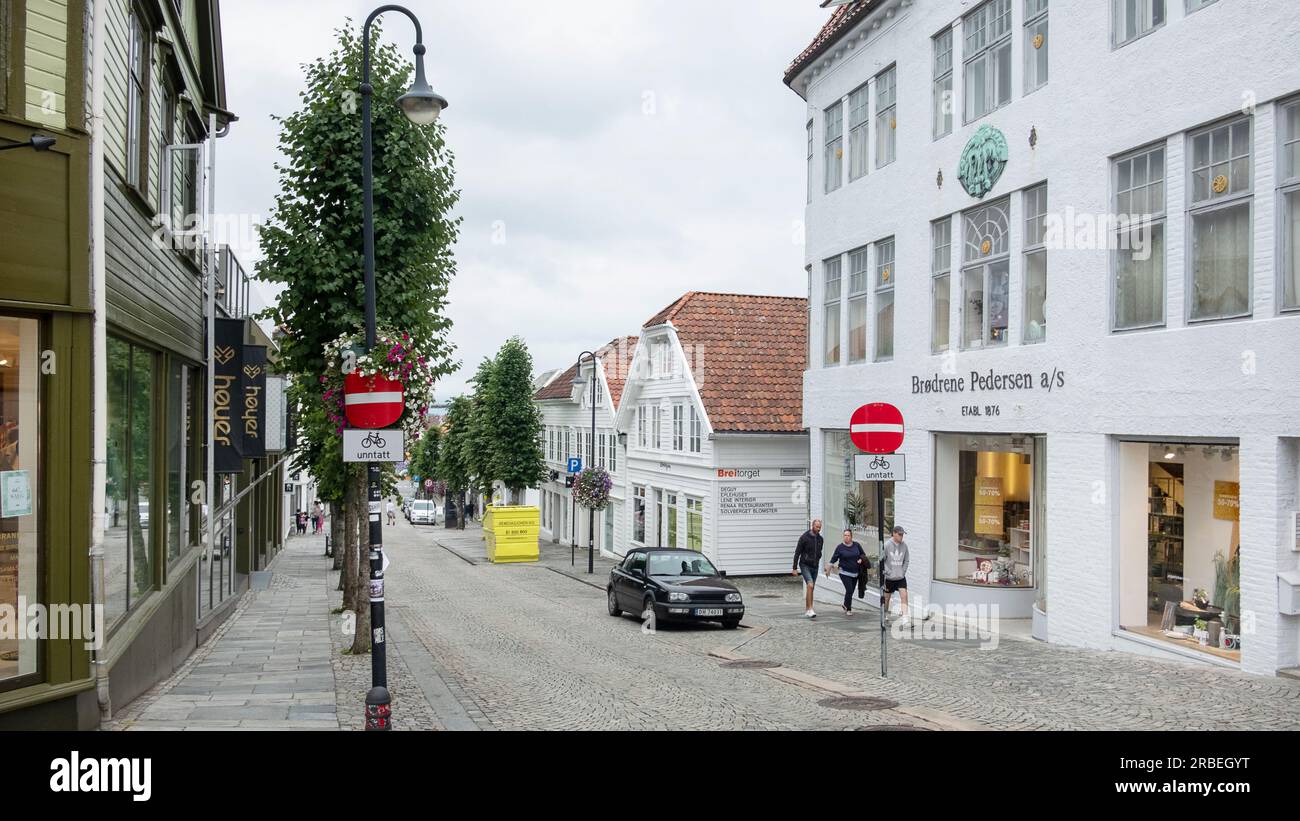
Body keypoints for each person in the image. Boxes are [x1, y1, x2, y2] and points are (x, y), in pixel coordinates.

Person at [827, 529, 868, 616]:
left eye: (848, 535)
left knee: (851, 591)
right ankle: (848, 609)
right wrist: (828, 568)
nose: (846, 537)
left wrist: (861, 559)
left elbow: (863, 554)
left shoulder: (856, 545)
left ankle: (845, 605)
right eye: (845, 535)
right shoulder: (840, 547)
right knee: (849, 589)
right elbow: (834, 558)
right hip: (844, 572)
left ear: (851, 537)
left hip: (855, 573)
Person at [791, 520, 824, 619]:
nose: (818, 529)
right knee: (810, 584)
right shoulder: (804, 537)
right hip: (805, 565)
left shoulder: (820, 539)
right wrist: (794, 568)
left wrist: (818, 558)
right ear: (812, 526)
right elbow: (797, 553)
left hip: (815, 566)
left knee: (811, 588)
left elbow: (819, 551)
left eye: (820, 527)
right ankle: (810, 609)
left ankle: (808, 610)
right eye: (817, 527)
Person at [881, 525, 911, 626]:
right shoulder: (887, 545)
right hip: (889, 578)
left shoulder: (904, 546)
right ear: (894, 533)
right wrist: (888, 571)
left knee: (904, 595)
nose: (901, 536)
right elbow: (882, 560)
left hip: (900, 577)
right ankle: (884, 615)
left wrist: (903, 571)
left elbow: (906, 560)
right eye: (899, 534)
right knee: (886, 598)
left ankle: (905, 618)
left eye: (902, 534)